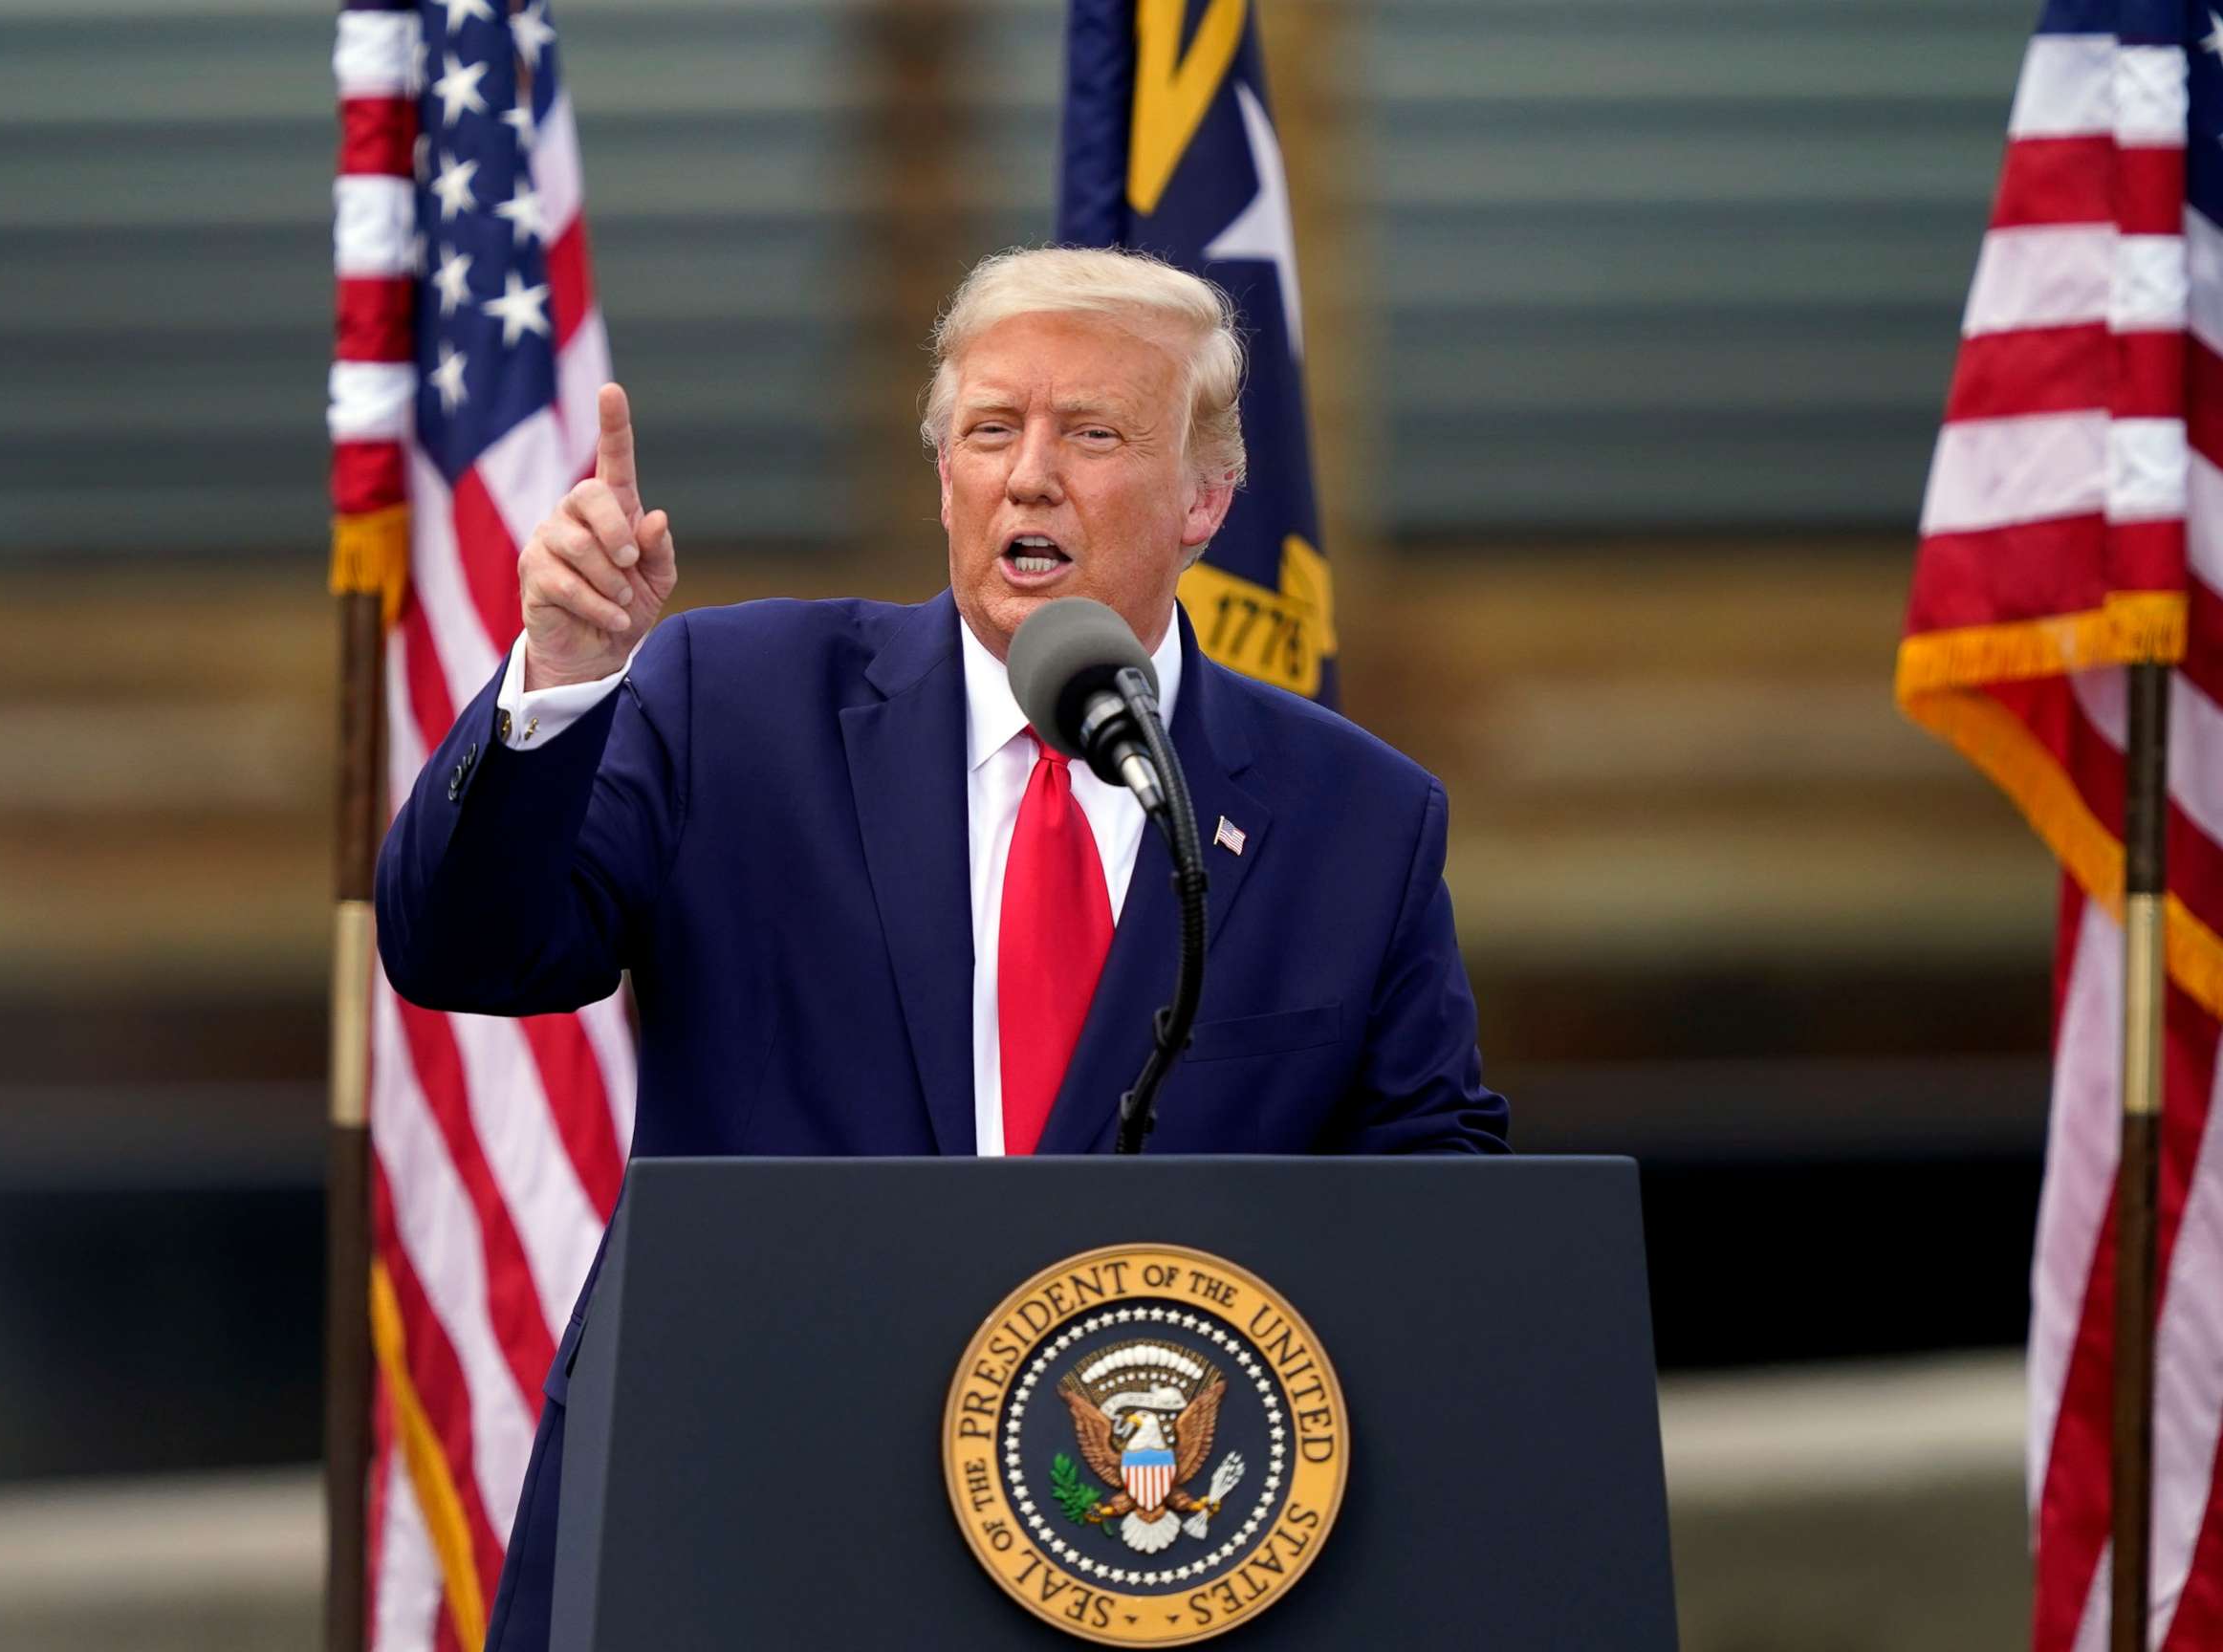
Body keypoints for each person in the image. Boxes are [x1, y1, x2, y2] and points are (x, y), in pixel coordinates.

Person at [376, 246, 1507, 1649]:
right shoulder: (731, 703)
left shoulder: (1354, 817)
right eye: (991, 430)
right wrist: (555, 681)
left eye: (1091, 434)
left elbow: (1438, 1202)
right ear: (946, 479)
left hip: (1146, 1564)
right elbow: (465, 951)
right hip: (749, 1534)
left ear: (1206, 497)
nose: (1030, 476)